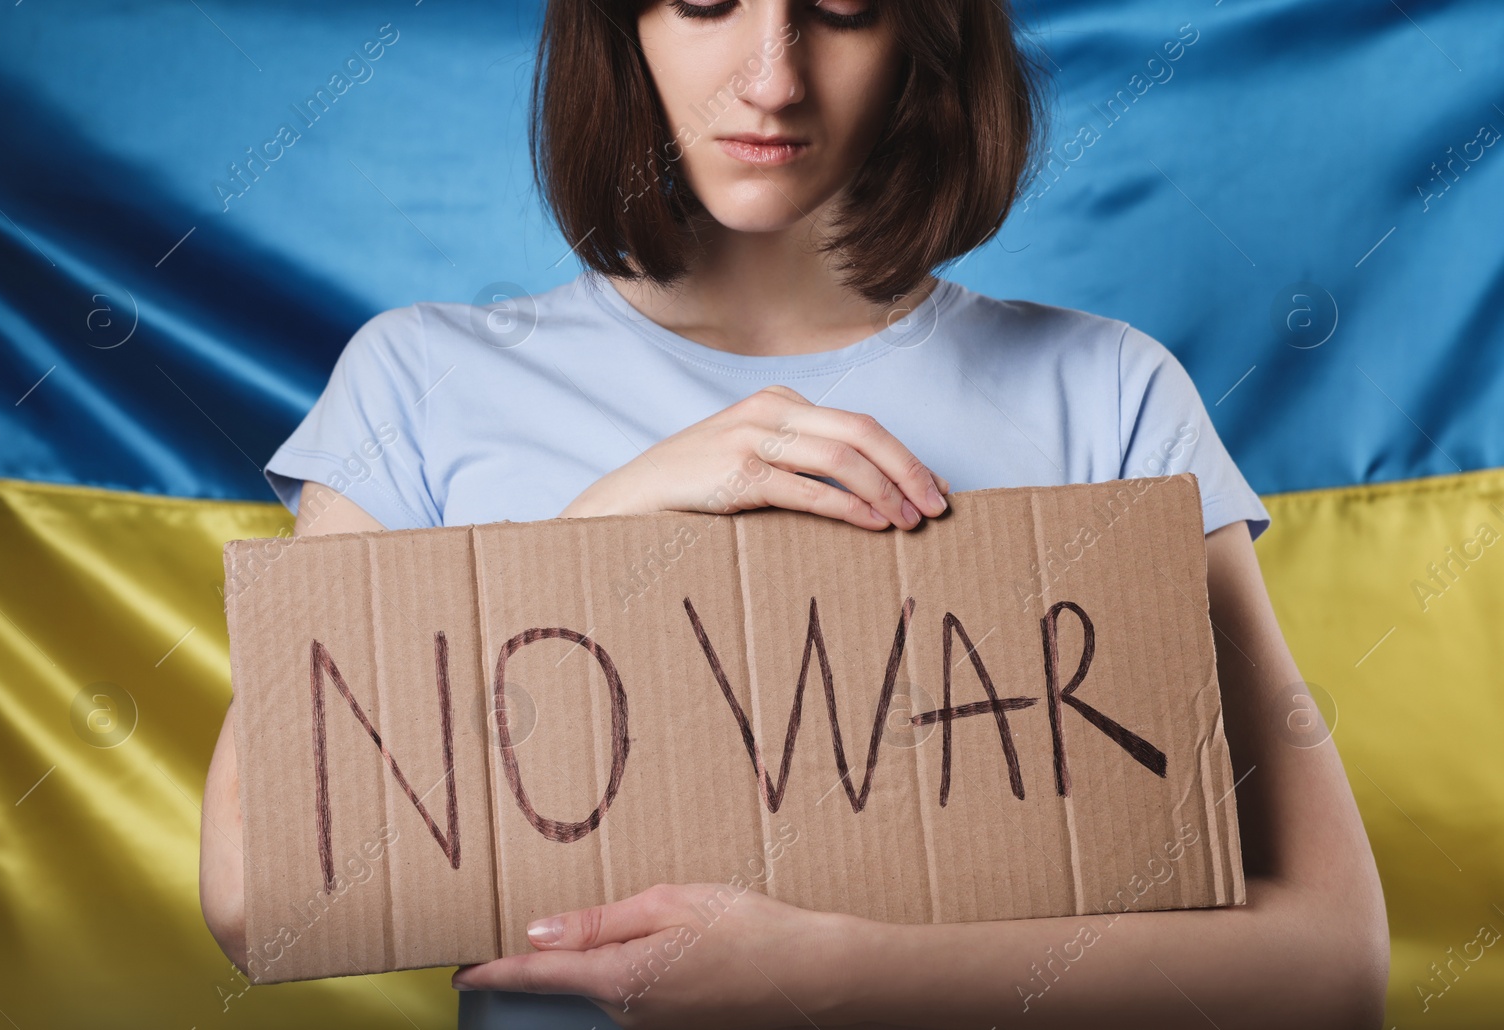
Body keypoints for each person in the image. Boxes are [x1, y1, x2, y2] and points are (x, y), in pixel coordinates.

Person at [200, 1, 1390, 1027]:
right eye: (706, 0)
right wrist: (607, 527)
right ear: (623, 26)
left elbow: (1331, 961)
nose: (771, 76)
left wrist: (840, 975)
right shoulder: (420, 378)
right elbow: (259, 893)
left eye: (842, 6)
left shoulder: (1107, 389)